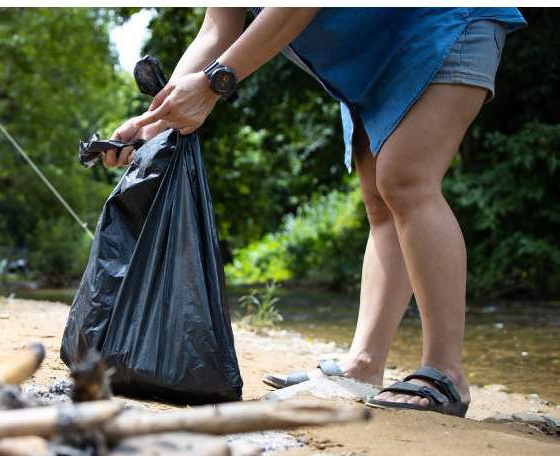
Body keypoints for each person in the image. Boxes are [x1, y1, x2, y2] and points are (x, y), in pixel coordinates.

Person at [103, 8, 526, 417]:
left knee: (406, 180)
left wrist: (215, 83)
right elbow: (217, 29)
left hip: (441, 23)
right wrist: (154, 122)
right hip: (366, 62)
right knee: (381, 203)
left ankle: (445, 371)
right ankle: (364, 364)